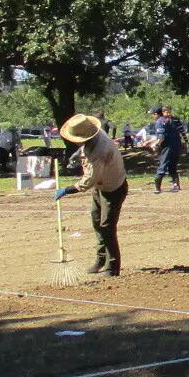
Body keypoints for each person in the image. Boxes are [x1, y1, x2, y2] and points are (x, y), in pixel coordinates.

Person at [52, 114, 128, 275]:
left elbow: (88, 181)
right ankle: (101, 259)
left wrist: (67, 190)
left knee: (107, 227)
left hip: (113, 188)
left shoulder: (99, 152)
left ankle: (112, 266)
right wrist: (77, 155)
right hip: (101, 185)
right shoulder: (95, 135)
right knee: (96, 221)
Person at [150, 105, 185, 192]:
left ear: (157, 114)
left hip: (167, 147)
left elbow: (161, 136)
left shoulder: (160, 121)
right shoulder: (175, 119)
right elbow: (181, 131)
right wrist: (186, 142)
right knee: (173, 166)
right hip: (177, 145)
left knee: (163, 165)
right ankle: (176, 185)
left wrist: (156, 144)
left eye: (152, 114)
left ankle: (157, 186)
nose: (152, 116)